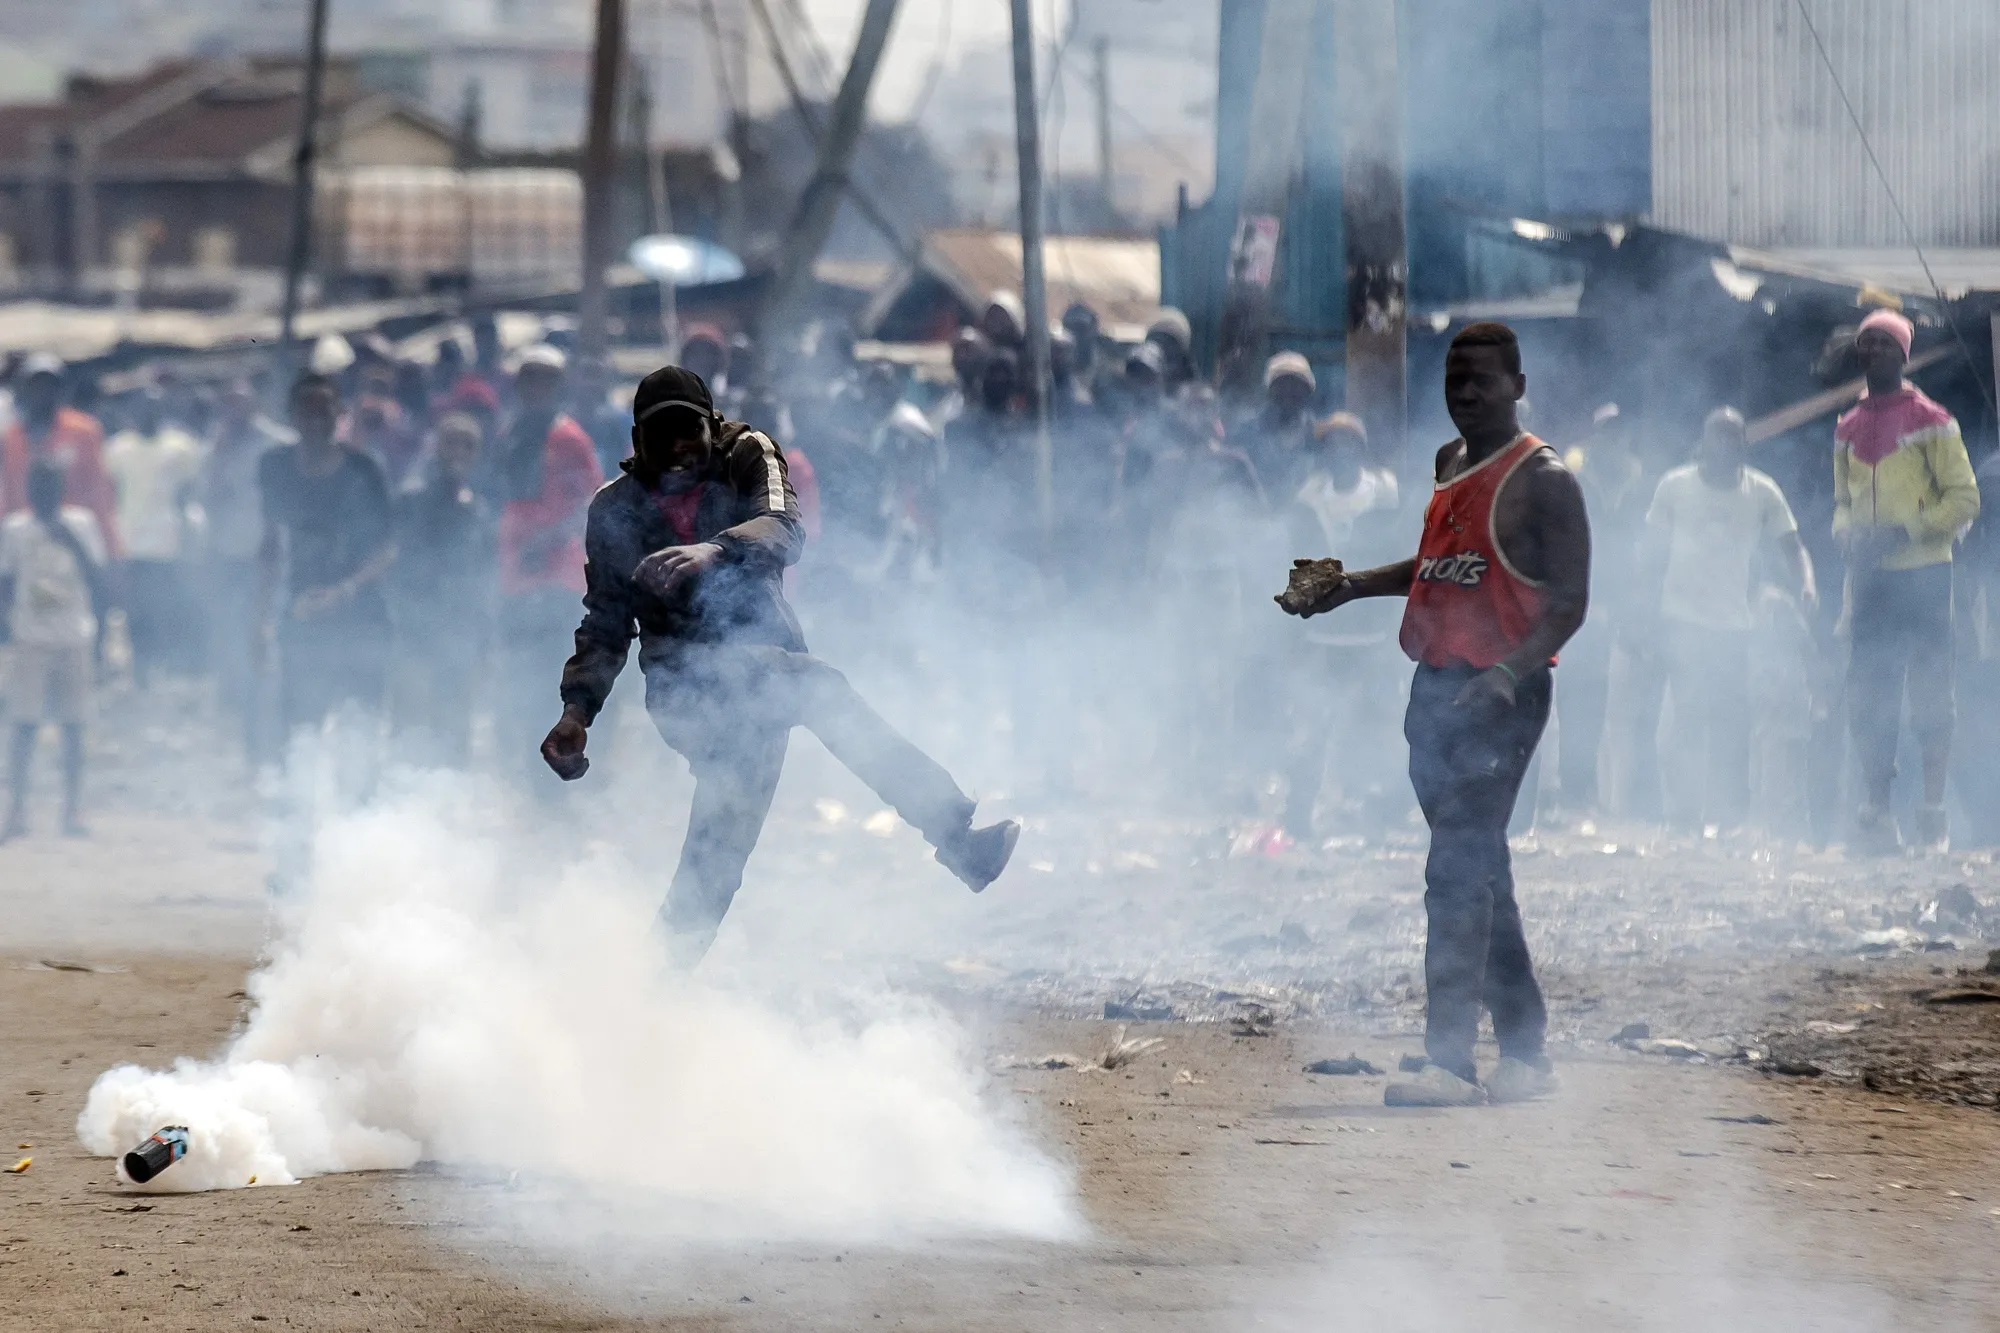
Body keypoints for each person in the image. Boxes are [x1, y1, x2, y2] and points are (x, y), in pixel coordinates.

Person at [539, 366, 1020, 965]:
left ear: (711, 426)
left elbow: (786, 528)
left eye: (688, 430)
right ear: (638, 443)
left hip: (762, 670)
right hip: (685, 692)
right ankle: (953, 833)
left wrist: (714, 549)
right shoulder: (614, 511)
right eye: (661, 436)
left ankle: (649, 990)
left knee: (716, 858)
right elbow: (606, 622)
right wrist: (575, 710)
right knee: (817, 687)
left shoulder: (747, 454)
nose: (679, 448)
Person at [1277, 321, 1588, 1107]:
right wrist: (1349, 584)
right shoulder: (1450, 465)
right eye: (1455, 381)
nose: (1467, 393)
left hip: (1502, 698)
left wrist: (1511, 673)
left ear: (1518, 384)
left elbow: (1571, 604)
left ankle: (1449, 1060)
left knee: (1455, 868)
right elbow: (1438, 570)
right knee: (1479, 866)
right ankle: (1525, 1052)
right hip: (1436, 690)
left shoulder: (1546, 479)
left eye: (1482, 379)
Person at [1834, 308, 1980, 853]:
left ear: (1904, 353)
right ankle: (1876, 812)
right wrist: (1847, 534)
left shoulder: (1933, 420)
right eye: (1864, 343)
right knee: (1871, 694)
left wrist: (1907, 531)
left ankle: (1932, 813)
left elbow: (1965, 498)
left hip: (1923, 576)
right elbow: (1842, 504)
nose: (1870, 351)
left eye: (1882, 343)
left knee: (1930, 696)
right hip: (1871, 581)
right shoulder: (1846, 426)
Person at [1640, 407, 1814, 833]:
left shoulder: (1761, 492)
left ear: (1743, 444)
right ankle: (1684, 816)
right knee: (1687, 716)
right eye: (1715, 435)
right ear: (1702, 441)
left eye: (1731, 436)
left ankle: (1729, 817)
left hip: (1734, 625)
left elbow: (1793, 547)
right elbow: (1650, 554)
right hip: (1681, 619)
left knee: (1732, 721)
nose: (1722, 444)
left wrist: (1807, 584)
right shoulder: (1674, 486)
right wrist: (1644, 611)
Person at [485, 345, 603, 792]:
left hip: (555, 581)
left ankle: (555, 785)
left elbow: (589, 504)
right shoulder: (512, 434)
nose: (537, 390)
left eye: (546, 381)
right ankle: (527, 779)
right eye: (529, 380)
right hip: (516, 581)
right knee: (518, 681)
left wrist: (546, 542)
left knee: (550, 683)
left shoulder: (568, 438)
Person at [257, 374, 397, 743]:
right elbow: (270, 547)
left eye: (325, 411)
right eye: (307, 411)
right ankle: (300, 800)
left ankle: (360, 800)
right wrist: (263, 617)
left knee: (359, 726)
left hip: (361, 614)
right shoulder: (273, 468)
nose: (316, 421)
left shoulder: (364, 469)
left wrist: (346, 590)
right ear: (292, 416)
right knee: (300, 728)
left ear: (340, 415)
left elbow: (389, 548)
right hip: (302, 611)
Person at [0, 459, 109, 839]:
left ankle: (73, 810)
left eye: (51, 486)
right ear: (29, 489)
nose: (43, 494)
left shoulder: (81, 524)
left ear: (61, 489)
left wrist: (70, 540)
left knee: (74, 726)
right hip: (30, 639)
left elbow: (99, 575)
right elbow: (7, 582)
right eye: (37, 486)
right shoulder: (15, 529)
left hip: (73, 637)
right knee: (24, 726)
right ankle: (16, 811)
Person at [389, 413, 494, 767]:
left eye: (468, 445)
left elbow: (482, 575)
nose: (458, 452)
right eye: (452, 442)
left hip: (459, 631)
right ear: (436, 448)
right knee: (411, 721)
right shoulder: (411, 500)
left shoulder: (477, 509)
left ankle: (447, 797)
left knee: (453, 722)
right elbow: (393, 563)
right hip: (415, 629)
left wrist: (483, 635)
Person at [199, 377, 292, 763]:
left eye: (241, 404)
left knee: (270, 646)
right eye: (228, 405)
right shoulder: (218, 446)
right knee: (238, 647)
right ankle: (250, 734)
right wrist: (220, 456)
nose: (234, 413)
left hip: (271, 561)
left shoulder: (279, 444)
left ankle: (274, 735)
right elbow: (207, 497)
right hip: (230, 558)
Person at [104, 388, 202, 685]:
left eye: (155, 407)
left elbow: (188, 491)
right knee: (135, 610)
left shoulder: (181, 446)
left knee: (166, 605)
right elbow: (112, 492)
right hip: (131, 540)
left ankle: (166, 666)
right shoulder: (117, 449)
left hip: (167, 541)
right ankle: (142, 670)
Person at [2, 355, 119, 558]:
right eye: (36, 386)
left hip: (75, 535)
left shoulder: (84, 431)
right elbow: (8, 492)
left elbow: (100, 490)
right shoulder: (11, 437)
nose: (42, 393)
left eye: (49, 386)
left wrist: (111, 545)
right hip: (25, 539)